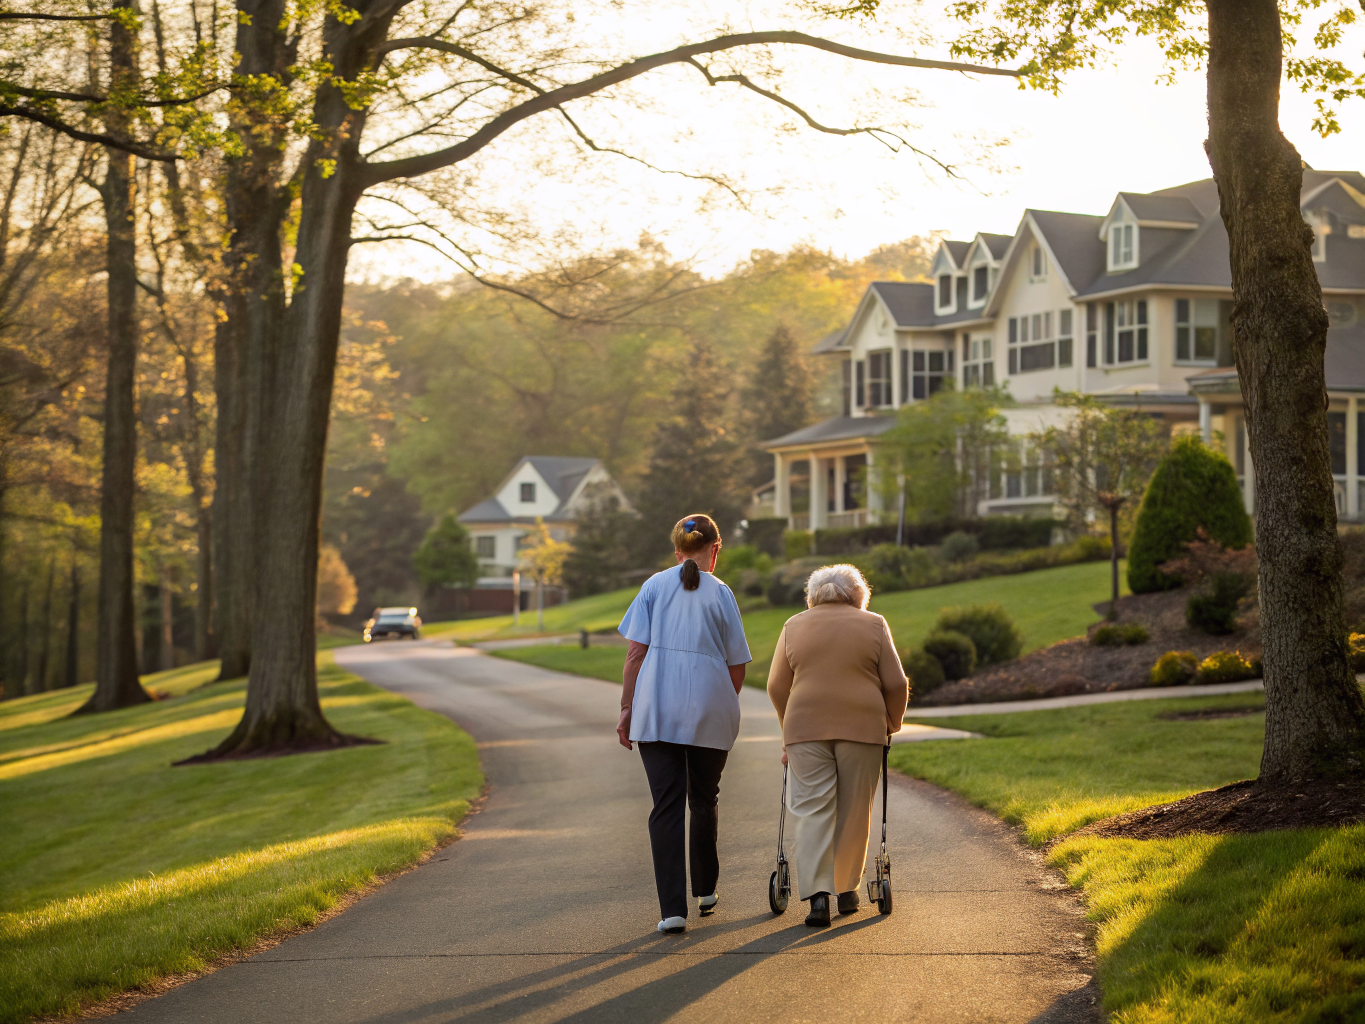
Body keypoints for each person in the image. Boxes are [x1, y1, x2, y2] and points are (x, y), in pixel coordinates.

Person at [617, 513, 752, 935]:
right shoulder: (722, 593)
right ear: (715, 549)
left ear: (678, 553)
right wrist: (721, 702)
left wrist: (626, 709)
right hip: (710, 706)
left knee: (667, 806)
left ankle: (672, 910)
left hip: (656, 708)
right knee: (704, 796)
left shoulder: (653, 586)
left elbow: (635, 655)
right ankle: (706, 890)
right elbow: (736, 665)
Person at [766, 563, 908, 928]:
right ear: (859, 595)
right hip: (862, 727)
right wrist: (891, 723)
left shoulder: (793, 625)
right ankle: (846, 891)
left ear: (813, 596)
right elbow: (896, 684)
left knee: (812, 810)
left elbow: (777, 686)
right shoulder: (874, 624)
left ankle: (817, 899)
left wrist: (789, 731)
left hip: (805, 728)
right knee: (854, 809)